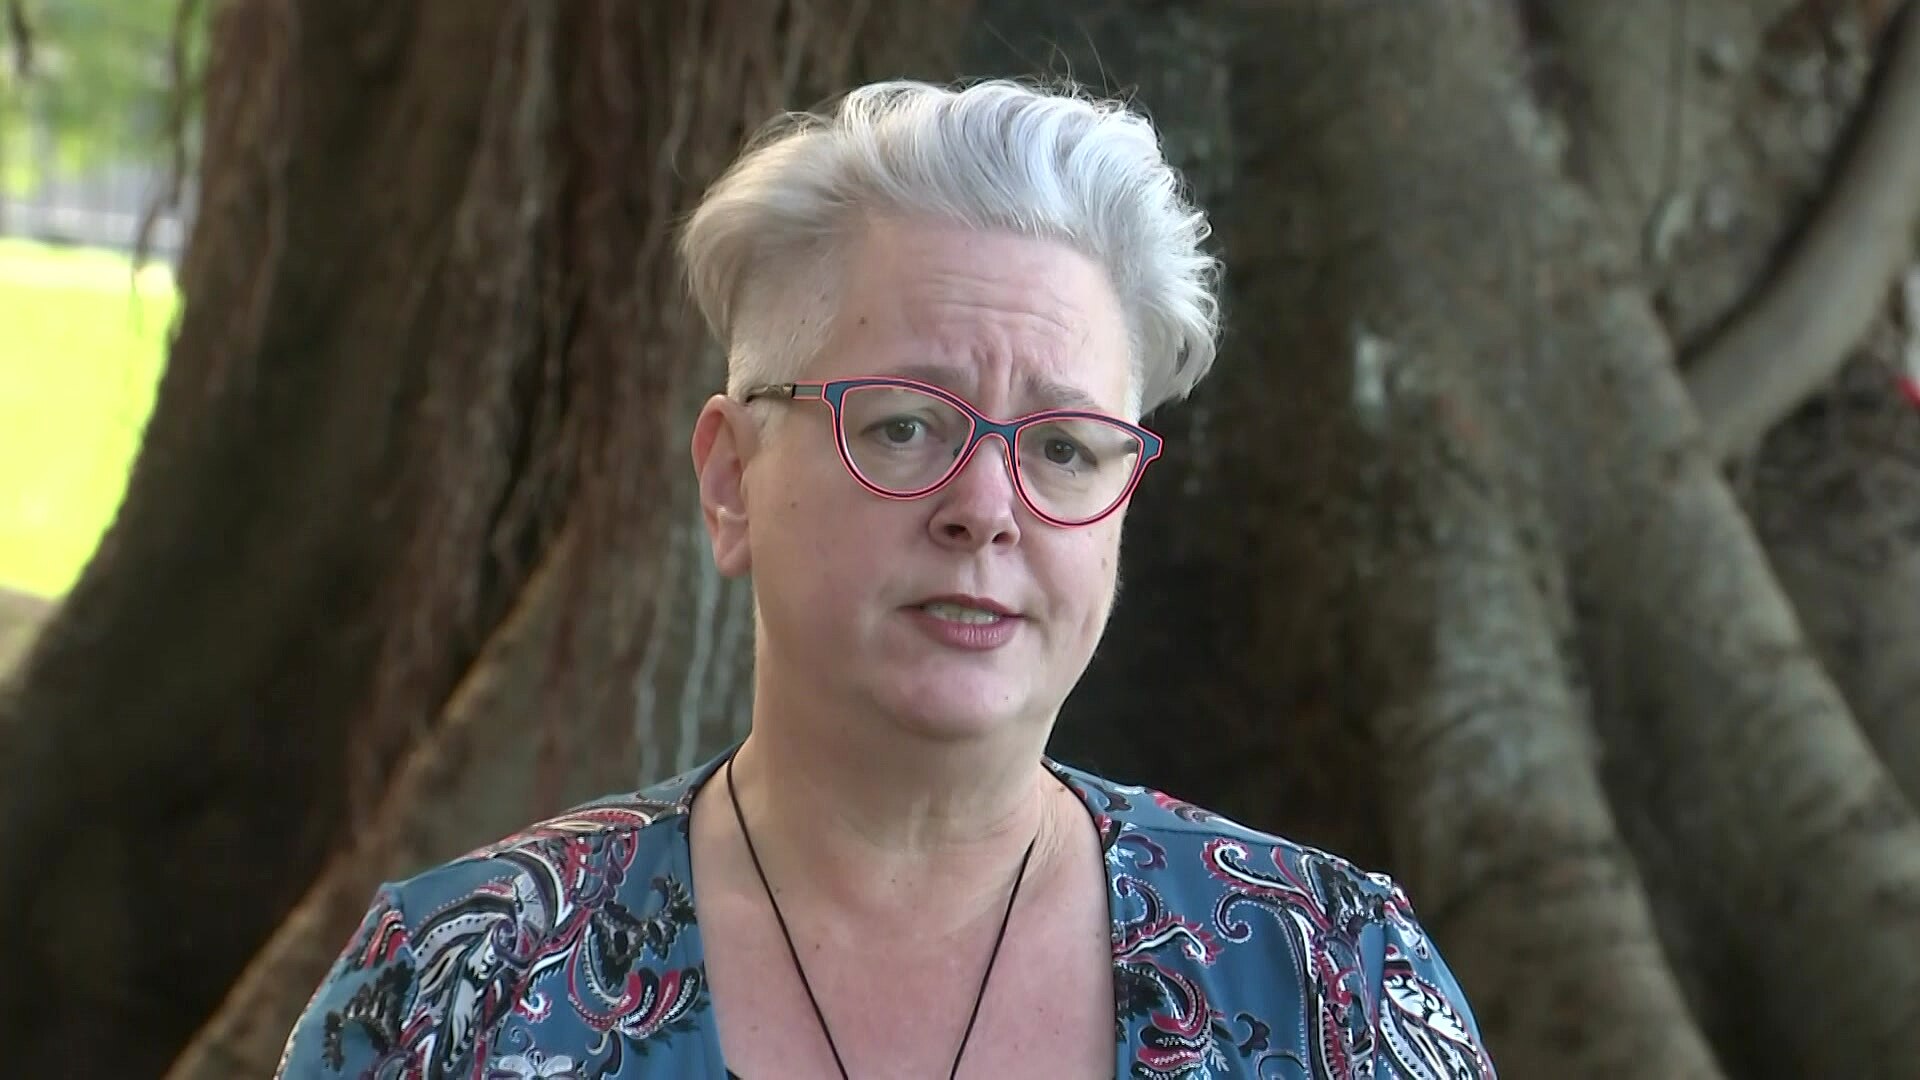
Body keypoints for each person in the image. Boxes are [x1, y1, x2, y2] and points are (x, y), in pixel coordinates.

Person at [277, 77, 1496, 1079]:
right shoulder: (459, 996)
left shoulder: (1331, 984)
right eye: (907, 426)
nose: (986, 510)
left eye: (1064, 448)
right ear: (732, 480)